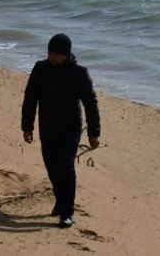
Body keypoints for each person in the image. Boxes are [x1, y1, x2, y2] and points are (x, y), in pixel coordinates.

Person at [21, 33, 101, 229]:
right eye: (51, 53)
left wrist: (94, 132)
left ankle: (67, 212)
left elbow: (90, 103)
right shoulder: (41, 69)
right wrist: (27, 126)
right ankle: (60, 200)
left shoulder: (79, 73)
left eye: (58, 54)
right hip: (47, 127)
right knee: (52, 167)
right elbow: (30, 98)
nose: (53, 57)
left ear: (67, 54)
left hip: (70, 128)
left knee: (66, 168)